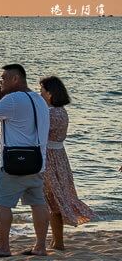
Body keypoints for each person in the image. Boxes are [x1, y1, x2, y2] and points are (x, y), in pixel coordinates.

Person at [0, 63, 50, 258]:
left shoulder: (12, 99)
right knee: (38, 203)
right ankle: (40, 247)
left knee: (2, 204)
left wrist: (0, 94)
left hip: (13, 164)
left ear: (15, 79)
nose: (1, 81)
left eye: (4, 78)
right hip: (37, 163)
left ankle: (3, 247)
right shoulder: (39, 100)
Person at [38, 75, 95, 250]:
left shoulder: (50, 113)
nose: (39, 93)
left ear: (49, 93)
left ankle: (58, 242)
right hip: (60, 156)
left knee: (52, 200)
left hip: (50, 158)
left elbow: (37, 134)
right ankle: (56, 241)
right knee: (56, 198)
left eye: (42, 90)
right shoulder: (61, 111)